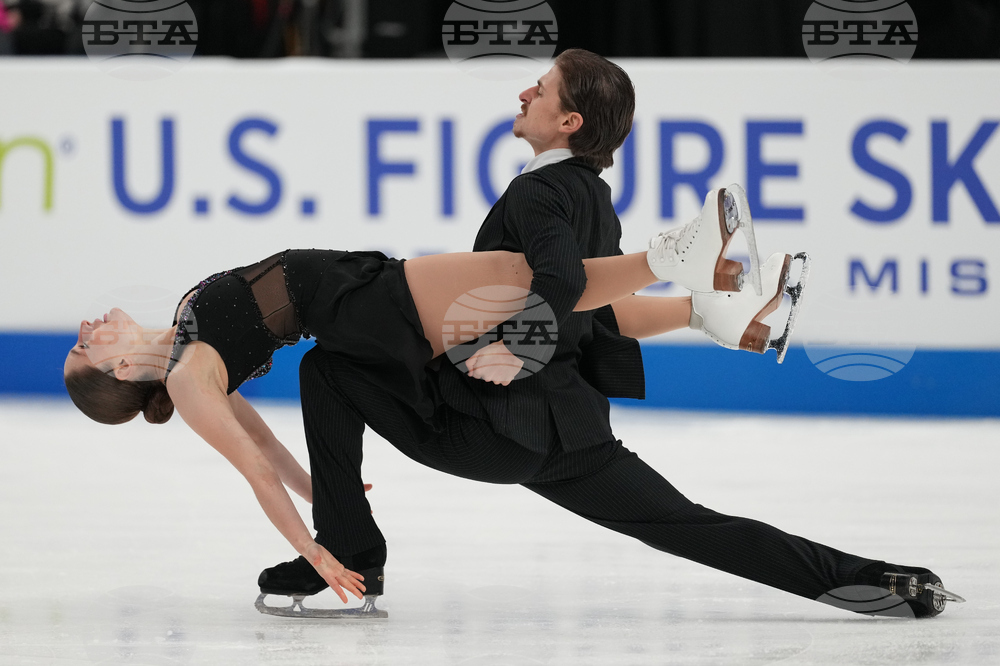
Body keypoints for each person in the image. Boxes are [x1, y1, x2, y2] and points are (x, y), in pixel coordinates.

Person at [259, 49, 962, 620]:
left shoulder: (536, 192)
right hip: (570, 433)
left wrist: (519, 345)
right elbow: (597, 313)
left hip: (490, 427)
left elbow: (562, 285)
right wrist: (691, 315)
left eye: (538, 90)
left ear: (567, 121)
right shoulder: (594, 197)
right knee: (692, 526)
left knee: (328, 370)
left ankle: (350, 552)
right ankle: (883, 583)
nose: (522, 93)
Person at [65, 240, 761, 612]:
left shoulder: (188, 340)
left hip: (353, 293)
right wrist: (314, 550)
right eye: (83, 348)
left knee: (530, 297)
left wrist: (320, 489)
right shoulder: (188, 382)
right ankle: (678, 258)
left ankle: (709, 315)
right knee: (517, 277)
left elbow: (267, 445)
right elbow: (251, 467)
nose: (85, 329)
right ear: (122, 370)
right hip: (360, 310)